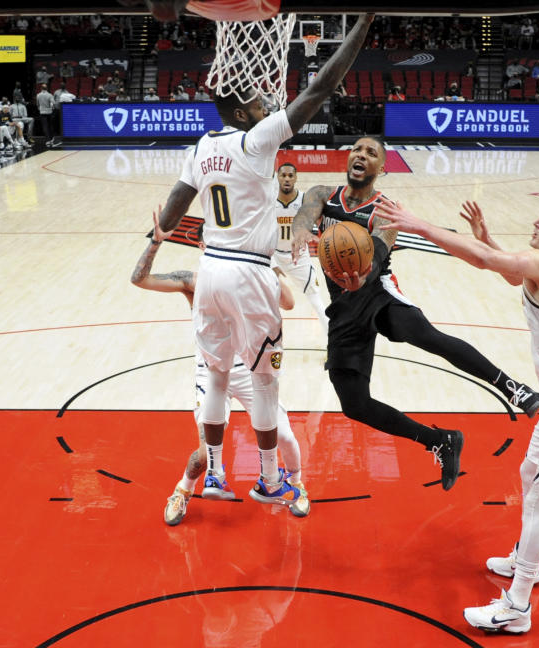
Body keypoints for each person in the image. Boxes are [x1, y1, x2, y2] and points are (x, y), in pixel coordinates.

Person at [152, 15, 374, 510]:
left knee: (215, 376)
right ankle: (270, 480)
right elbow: (323, 87)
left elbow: (171, 210)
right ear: (238, 109)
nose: (265, 102)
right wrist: (364, 23)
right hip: (250, 274)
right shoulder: (256, 140)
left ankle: (214, 475)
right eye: (255, 99)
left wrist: (158, 231)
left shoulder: (202, 146)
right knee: (266, 379)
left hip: (209, 268)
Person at [375, 197, 539, 634]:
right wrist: (486, 238)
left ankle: (517, 607)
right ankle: (526, 559)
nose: (536, 220)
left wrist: (419, 224)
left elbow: (489, 263)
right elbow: (509, 271)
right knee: (530, 475)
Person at [290, 136, 539, 492]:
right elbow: (304, 216)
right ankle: (438, 441)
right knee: (354, 404)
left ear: (382, 168)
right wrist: (301, 230)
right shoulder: (321, 194)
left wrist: (362, 276)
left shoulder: (387, 210)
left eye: (371, 153)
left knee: (427, 336)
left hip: (377, 291)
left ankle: (514, 388)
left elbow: (379, 249)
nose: (361, 155)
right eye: (357, 150)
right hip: (344, 306)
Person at [131, 209, 310, 522]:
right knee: (203, 454)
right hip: (213, 373)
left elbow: (289, 302)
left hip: (251, 373)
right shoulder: (192, 281)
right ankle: (182, 490)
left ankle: (296, 483)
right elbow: (140, 280)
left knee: (285, 437)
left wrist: (269, 266)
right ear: (203, 246)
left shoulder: (258, 273)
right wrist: (156, 242)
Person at [272, 162, 329, 331]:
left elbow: (321, 223)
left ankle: (331, 343)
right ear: (278, 177)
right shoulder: (268, 199)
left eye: (291, 175)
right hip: (272, 255)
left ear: (296, 178)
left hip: (298, 256)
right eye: (283, 175)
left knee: (316, 298)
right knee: (264, 300)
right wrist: (271, 263)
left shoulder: (305, 199)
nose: (287, 179)